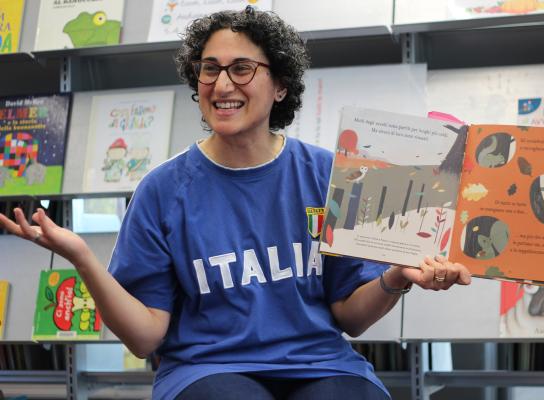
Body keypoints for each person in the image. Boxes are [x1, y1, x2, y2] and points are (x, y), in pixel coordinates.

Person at [0, 7, 471, 400]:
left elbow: (350, 316)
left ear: (280, 85)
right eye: (210, 68)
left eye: (241, 69)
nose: (222, 84)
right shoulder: (162, 190)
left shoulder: (330, 174)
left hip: (319, 362)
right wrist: (82, 256)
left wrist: (394, 278)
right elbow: (146, 337)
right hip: (206, 369)